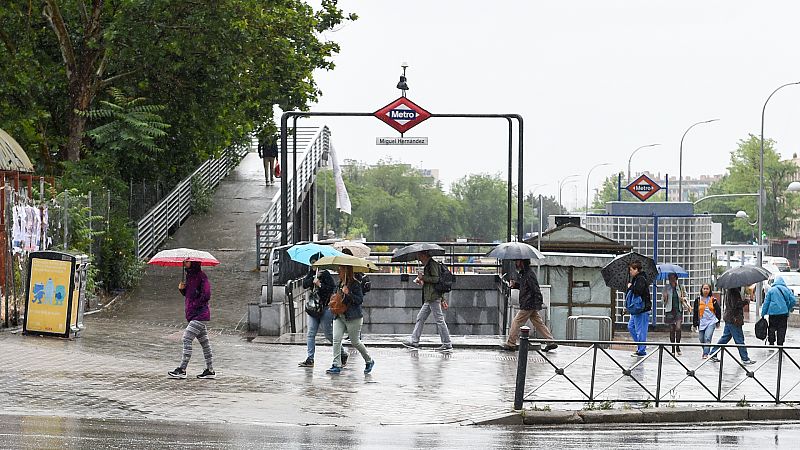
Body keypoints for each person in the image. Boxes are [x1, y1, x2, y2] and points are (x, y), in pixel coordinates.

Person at [298, 253, 348, 368]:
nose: (313, 265)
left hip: (325, 308)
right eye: (311, 263)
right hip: (313, 309)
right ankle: (310, 358)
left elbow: (331, 289)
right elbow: (305, 284)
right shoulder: (312, 273)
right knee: (311, 333)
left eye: (315, 262)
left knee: (328, 333)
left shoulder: (326, 274)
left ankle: (342, 353)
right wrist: (312, 279)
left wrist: (320, 284)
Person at [169, 261, 215, 379]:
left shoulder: (201, 276)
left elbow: (206, 295)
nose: (185, 263)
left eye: (188, 261)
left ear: (193, 262)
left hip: (200, 314)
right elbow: (190, 295)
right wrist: (182, 290)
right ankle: (210, 370)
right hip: (193, 314)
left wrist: (195, 304)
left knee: (186, 338)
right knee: (205, 342)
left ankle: (182, 369)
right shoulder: (189, 276)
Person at [500, 259, 557, 352]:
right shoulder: (525, 274)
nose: (516, 263)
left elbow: (535, 289)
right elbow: (525, 287)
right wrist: (515, 285)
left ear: (522, 262)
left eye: (517, 261)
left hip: (528, 304)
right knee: (538, 323)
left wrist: (538, 303)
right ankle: (550, 341)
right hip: (529, 303)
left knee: (517, 321)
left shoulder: (529, 274)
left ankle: (511, 343)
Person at [326, 264, 374, 375]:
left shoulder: (355, 284)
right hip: (339, 315)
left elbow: (359, 300)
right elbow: (336, 296)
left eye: (341, 270)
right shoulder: (339, 283)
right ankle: (336, 365)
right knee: (336, 339)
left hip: (353, 317)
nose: (339, 272)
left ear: (346, 271)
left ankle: (369, 360)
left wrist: (349, 294)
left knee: (355, 342)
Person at [402, 250, 453, 352]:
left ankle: (447, 344)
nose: (418, 258)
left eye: (419, 256)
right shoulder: (429, 264)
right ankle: (414, 341)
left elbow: (436, 279)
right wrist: (421, 280)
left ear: (424, 255)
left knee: (439, 320)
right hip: (430, 297)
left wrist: (423, 278)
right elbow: (432, 282)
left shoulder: (432, 264)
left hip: (433, 297)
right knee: (420, 318)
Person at [710, 288, 756, 365]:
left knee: (725, 338)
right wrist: (745, 302)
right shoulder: (734, 292)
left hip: (729, 318)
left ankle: (713, 353)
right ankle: (745, 358)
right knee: (739, 339)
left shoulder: (729, 291)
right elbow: (735, 305)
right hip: (734, 319)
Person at [762, 276, 797, 347]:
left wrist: (763, 313)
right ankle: (780, 344)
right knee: (782, 328)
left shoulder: (771, 290)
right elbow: (793, 300)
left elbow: (766, 303)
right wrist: (788, 308)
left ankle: (771, 342)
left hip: (773, 313)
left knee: (771, 327)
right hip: (783, 313)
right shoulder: (787, 290)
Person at [627, 260, 652, 357]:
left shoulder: (641, 279)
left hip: (642, 309)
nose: (630, 272)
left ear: (636, 269)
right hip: (636, 309)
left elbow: (638, 291)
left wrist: (630, 287)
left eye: (631, 270)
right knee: (631, 326)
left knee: (641, 330)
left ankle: (642, 350)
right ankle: (641, 345)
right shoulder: (636, 279)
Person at [661, 273, 689, 355]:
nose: (671, 280)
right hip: (669, 311)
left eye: (673, 278)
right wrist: (665, 298)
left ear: (676, 278)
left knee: (678, 328)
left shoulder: (681, 287)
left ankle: (678, 346)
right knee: (672, 329)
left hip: (678, 310)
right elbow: (662, 302)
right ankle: (673, 348)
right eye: (669, 278)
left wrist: (683, 298)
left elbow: (686, 296)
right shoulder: (666, 288)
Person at [692, 283, 721, 359]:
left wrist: (718, 321)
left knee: (707, 337)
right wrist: (694, 324)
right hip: (701, 322)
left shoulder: (713, 300)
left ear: (710, 290)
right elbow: (695, 312)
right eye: (704, 288)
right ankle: (706, 350)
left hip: (711, 321)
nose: (705, 290)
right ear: (701, 289)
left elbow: (718, 310)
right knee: (701, 339)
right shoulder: (697, 300)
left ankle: (705, 354)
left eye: (707, 289)